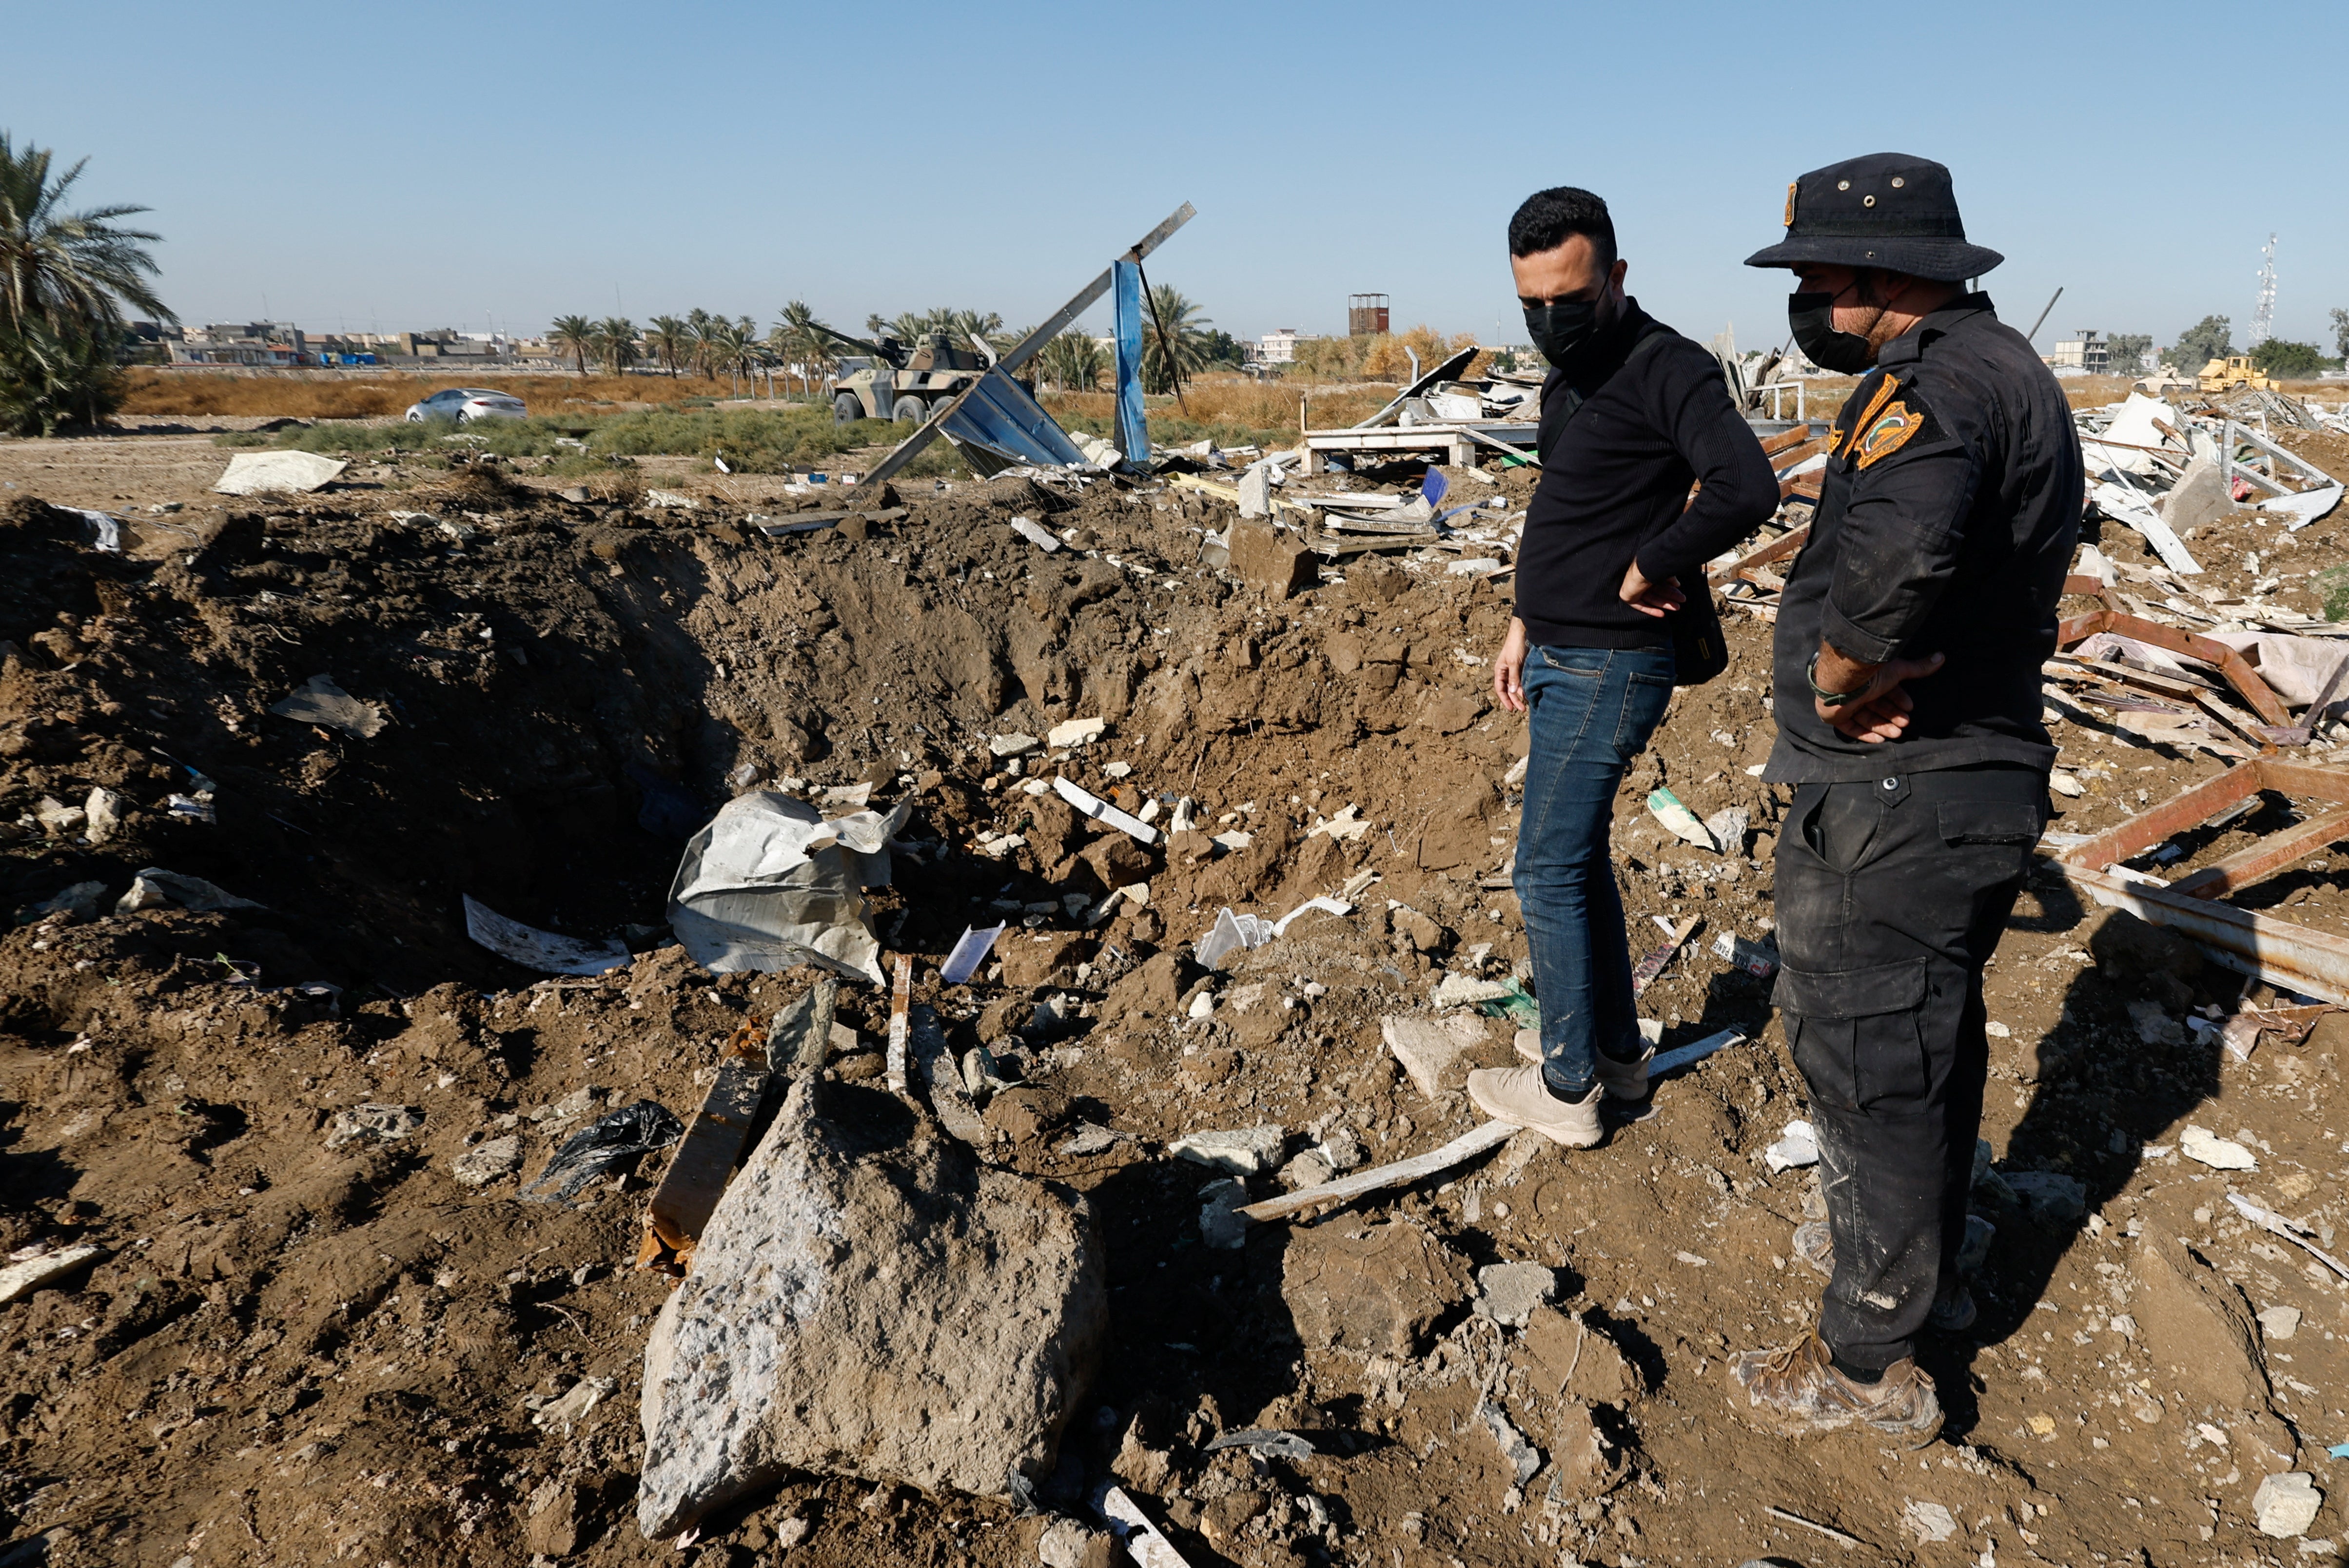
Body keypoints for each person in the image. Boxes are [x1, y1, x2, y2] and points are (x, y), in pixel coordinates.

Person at [1725, 153, 2082, 1440]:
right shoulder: (2008, 372)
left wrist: (1836, 674)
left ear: (1878, 276)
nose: (1804, 299)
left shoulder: (1933, 384)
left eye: (1816, 274)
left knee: (1871, 1059)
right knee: (1926, 1039)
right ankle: (1932, 1261)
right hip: (1956, 784)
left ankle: (1871, 1360)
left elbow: (1907, 544)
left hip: (1897, 792)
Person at [1468, 187, 1776, 1149]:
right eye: (1533, 304)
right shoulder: (1573, 372)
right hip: (1561, 647)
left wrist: (1656, 561)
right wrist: (1523, 620)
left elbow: (1746, 484)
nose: (1551, 321)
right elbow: (1567, 504)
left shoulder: (1667, 367)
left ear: (1617, 278)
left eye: (1571, 298)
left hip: (1611, 662)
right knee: (1575, 861)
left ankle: (1568, 1094)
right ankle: (1614, 1058)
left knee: (1544, 871)